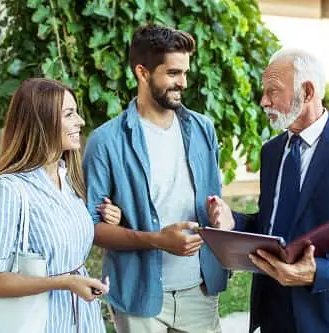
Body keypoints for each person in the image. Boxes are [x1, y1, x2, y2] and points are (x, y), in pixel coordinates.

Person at [208, 49, 329, 333]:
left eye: (273, 91)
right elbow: (273, 224)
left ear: (307, 91)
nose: (264, 101)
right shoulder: (271, 151)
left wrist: (318, 272)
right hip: (274, 316)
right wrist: (233, 222)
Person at [83, 24, 228, 333]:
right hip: (139, 297)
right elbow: (92, 230)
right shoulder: (106, 141)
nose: (183, 82)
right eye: (173, 73)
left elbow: (217, 199)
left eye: (185, 73)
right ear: (142, 72)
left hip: (200, 290)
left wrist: (221, 214)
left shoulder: (204, 130)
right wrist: (157, 241)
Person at [0, 78, 112, 333]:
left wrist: (109, 216)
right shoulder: (9, 189)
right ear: (41, 123)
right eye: (69, 114)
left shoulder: (67, 178)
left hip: (84, 321)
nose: (79, 121)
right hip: (40, 324)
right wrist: (65, 282)